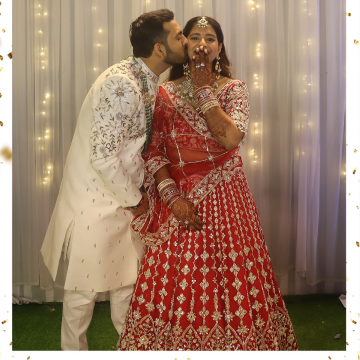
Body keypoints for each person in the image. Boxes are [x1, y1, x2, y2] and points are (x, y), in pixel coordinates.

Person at [118, 16, 299, 351]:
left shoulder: (234, 89)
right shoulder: (164, 92)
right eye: (195, 37)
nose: (202, 44)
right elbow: (154, 151)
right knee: (179, 280)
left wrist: (203, 90)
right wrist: (172, 198)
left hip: (227, 196)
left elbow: (231, 138)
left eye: (210, 38)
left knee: (230, 278)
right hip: (180, 198)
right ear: (184, 44)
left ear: (220, 47)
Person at [40, 9, 188, 351]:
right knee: (83, 293)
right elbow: (103, 155)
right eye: (179, 35)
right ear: (160, 49)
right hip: (97, 201)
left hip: (125, 200)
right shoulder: (121, 83)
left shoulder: (147, 80)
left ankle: (131, 350)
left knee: (128, 285)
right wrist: (136, 201)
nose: (185, 40)